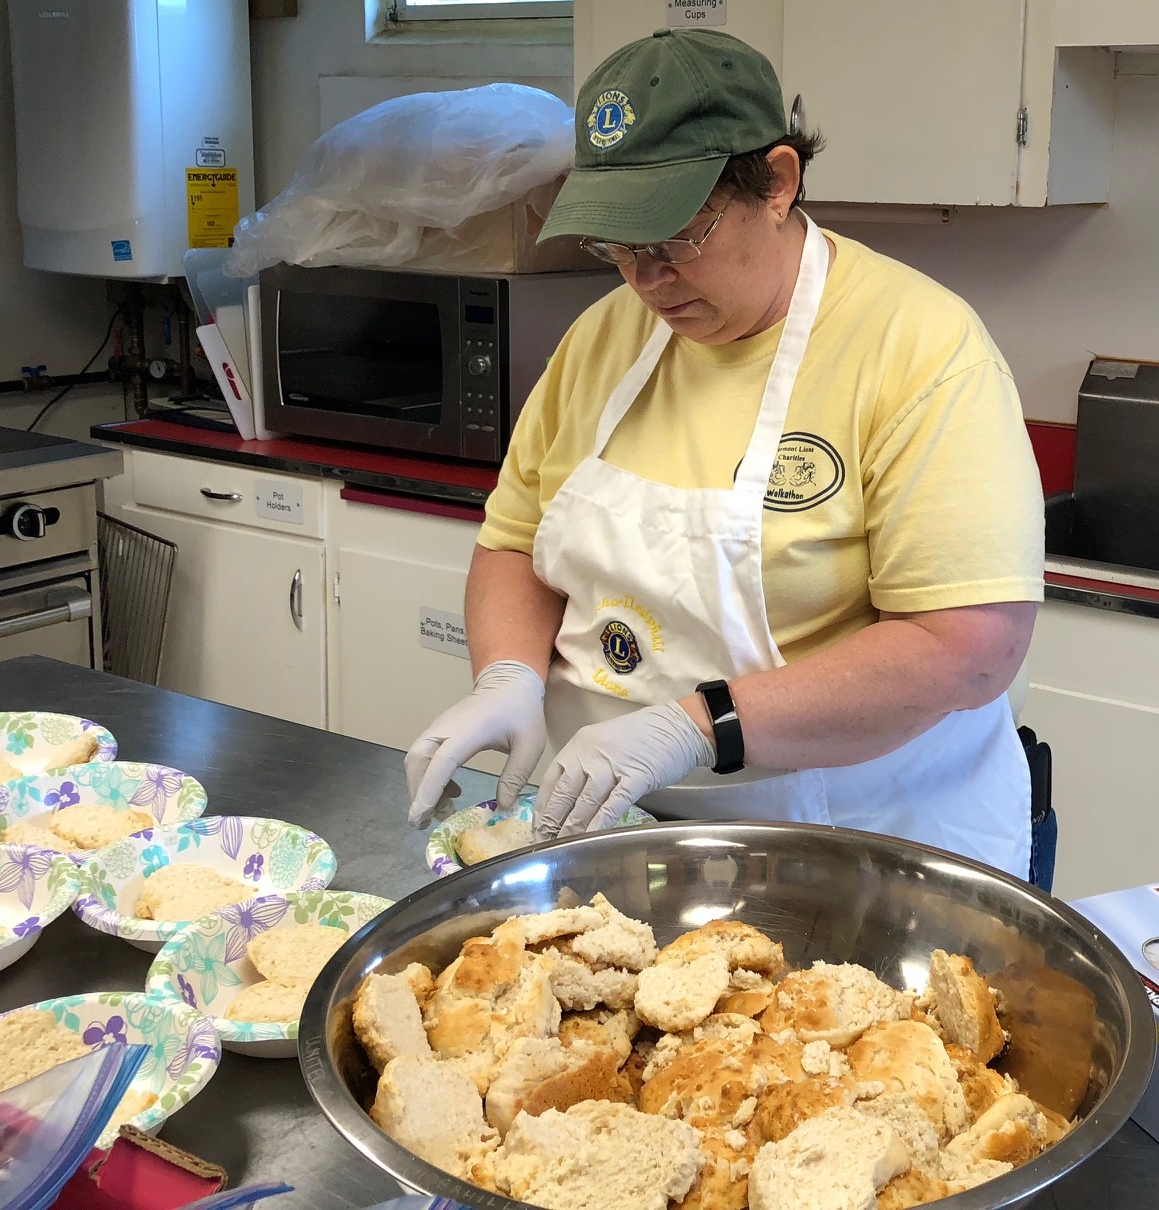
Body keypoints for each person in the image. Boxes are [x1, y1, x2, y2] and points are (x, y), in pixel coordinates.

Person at [404, 28, 1044, 877]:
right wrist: (508, 676)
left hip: (851, 846)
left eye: (673, 234)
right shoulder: (604, 338)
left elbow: (966, 649)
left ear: (776, 183)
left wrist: (694, 726)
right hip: (622, 828)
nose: (644, 278)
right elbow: (515, 541)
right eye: (615, 245)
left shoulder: (918, 348)